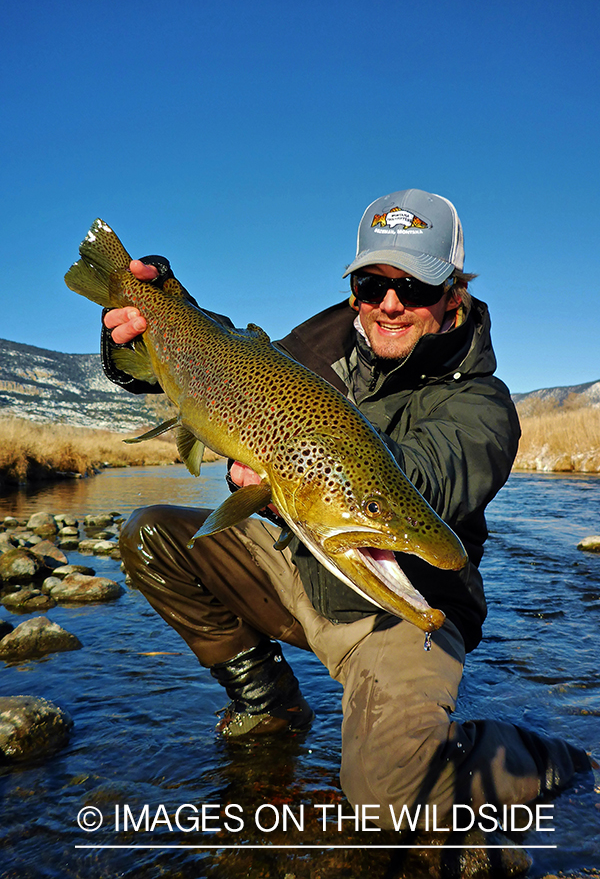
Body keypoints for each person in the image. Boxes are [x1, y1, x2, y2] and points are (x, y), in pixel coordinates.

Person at [102, 189, 590, 829]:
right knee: (153, 536)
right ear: (356, 286)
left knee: (392, 801)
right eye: (372, 283)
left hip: (398, 611)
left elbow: (423, 484)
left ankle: (540, 757)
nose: (391, 304)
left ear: (454, 294)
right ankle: (269, 703)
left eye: (415, 288)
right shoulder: (313, 347)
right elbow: (216, 360)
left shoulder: (482, 403)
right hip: (303, 562)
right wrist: (158, 307)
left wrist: (292, 458)